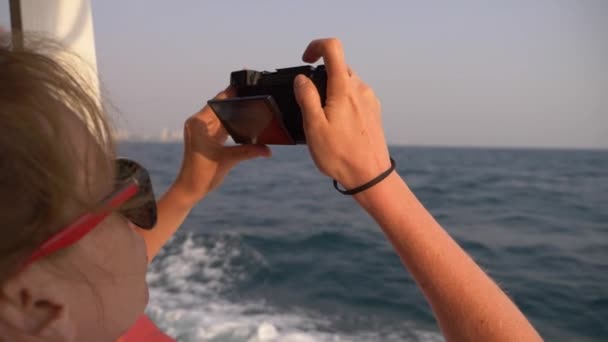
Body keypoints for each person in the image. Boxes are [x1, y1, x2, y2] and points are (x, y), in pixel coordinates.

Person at [0, 33, 542, 342]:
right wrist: (376, 179)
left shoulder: (71, 315)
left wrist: (188, 190)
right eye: (119, 191)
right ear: (35, 305)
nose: (140, 217)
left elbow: (88, 269)